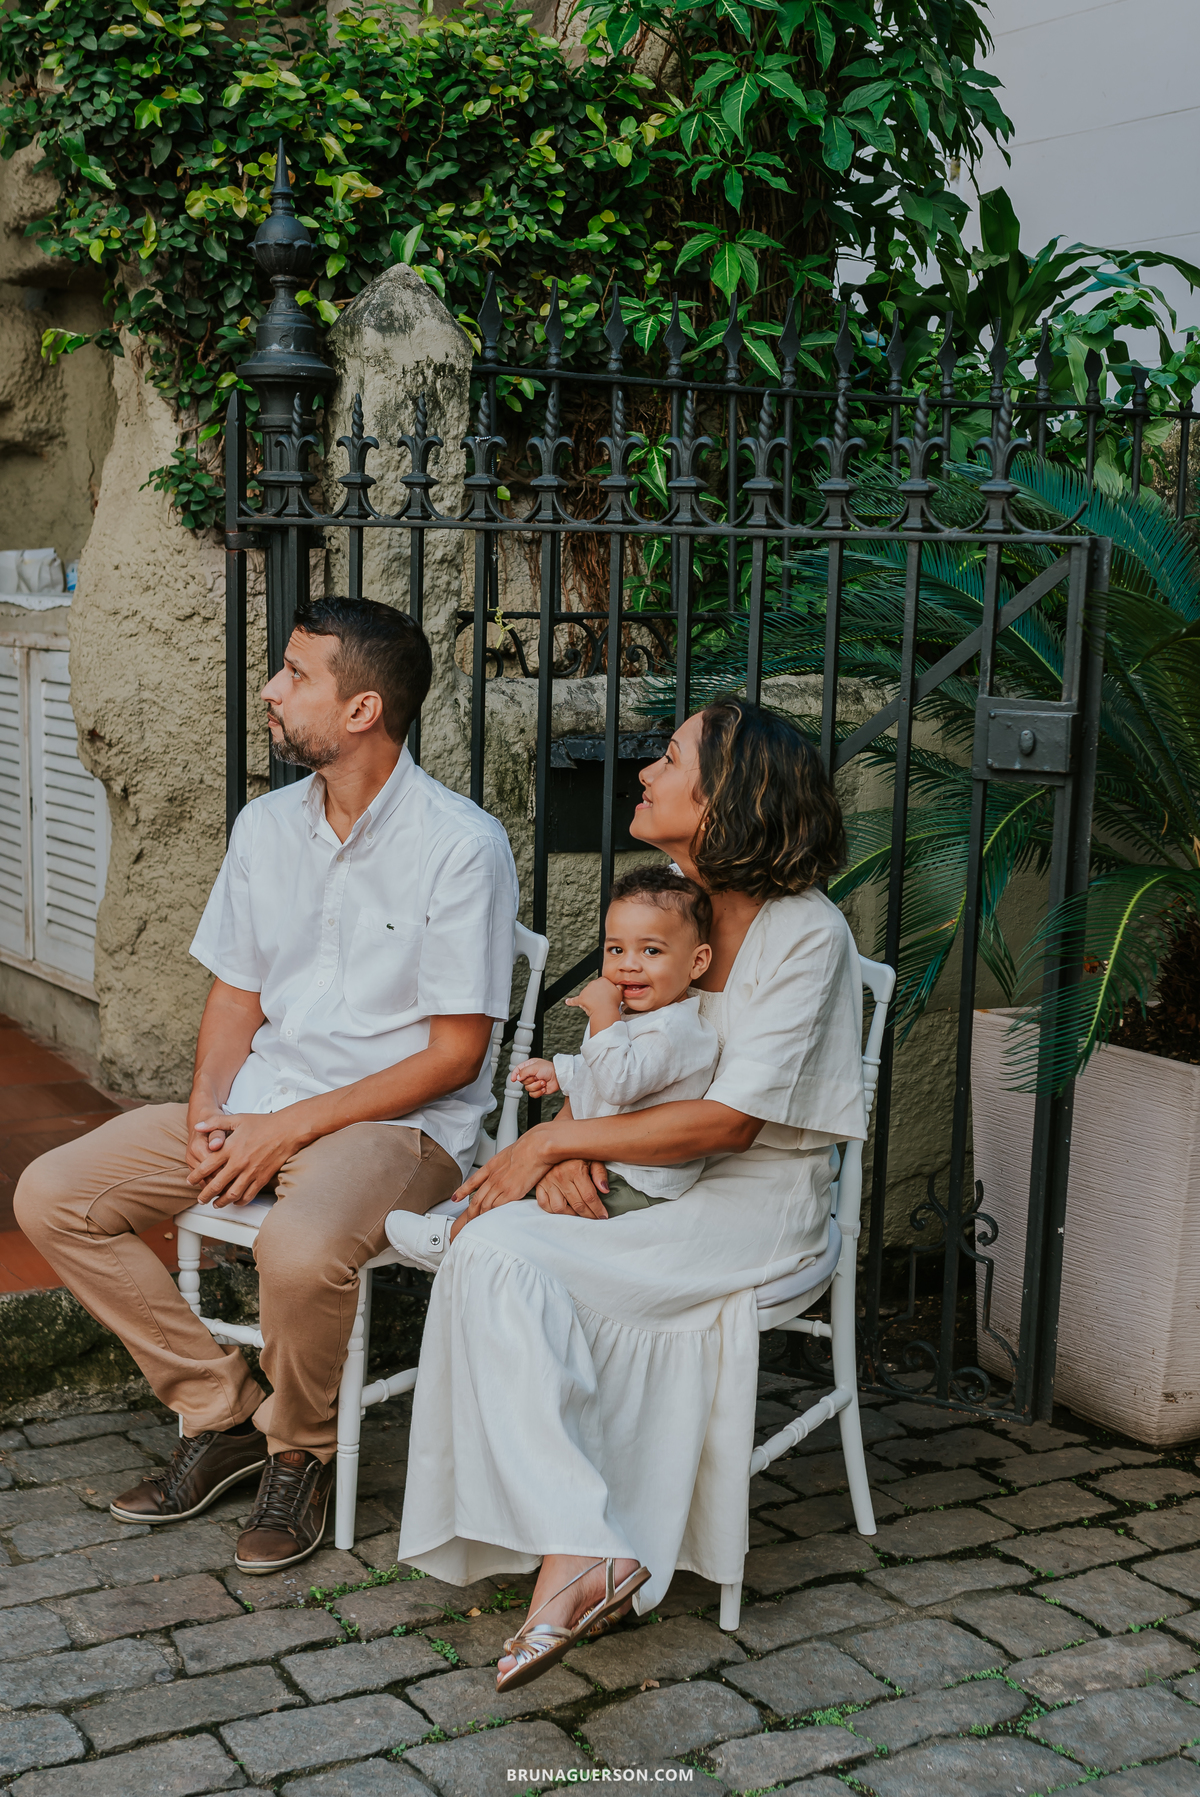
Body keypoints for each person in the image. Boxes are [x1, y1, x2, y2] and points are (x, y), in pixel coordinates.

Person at [14, 597, 518, 1575]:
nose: (272, 691)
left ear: (363, 709)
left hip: (401, 1126)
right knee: (54, 1196)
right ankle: (219, 1407)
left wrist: (283, 1132)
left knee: (297, 1251)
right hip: (262, 1105)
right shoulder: (265, 828)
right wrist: (211, 1110)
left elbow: (455, 1056)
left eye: (295, 674)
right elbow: (236, 998)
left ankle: (303, 1452)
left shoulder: (462, 846)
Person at [393, 696, 868, 1692]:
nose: (646, 771)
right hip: (649, 1177)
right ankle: (587, 1544)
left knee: (495, 1252)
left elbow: (733, 1122)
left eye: (671, 757)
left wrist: (563, 1139)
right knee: (490, 1253)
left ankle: (580, 1551)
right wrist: (568, 1153)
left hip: (755, 1198)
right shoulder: (668, 904)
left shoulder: (804, 931)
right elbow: (619, 1064)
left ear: (730, 791)